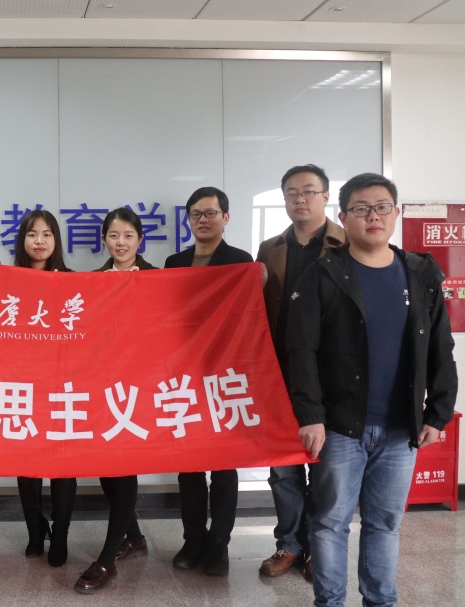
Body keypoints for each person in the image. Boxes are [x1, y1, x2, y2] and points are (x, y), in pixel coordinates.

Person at [286, 172, 457, 607]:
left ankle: (380, 601)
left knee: (385, 524)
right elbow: (301, 350)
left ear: (396, 213)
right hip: (340, 427)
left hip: (402, 429)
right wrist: (311, 415)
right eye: (361, 209)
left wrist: (438, 412)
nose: (373, 216)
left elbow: (440, 346)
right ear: (343, 217)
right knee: (330, 523)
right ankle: (329, 602)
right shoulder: (322, 274)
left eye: (382, 207)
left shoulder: (421, 273)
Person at [256, 164, 345, 581]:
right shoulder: (270, 248)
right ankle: (290, 544)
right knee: (283, 470)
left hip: (334, 376)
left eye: (309, 191)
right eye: (292, 193)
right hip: (281, 374)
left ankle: (319, 549)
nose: (300, 199)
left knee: (327, 470)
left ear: (326, 196)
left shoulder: (348, 243)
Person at [164, 186, 253, 576]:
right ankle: (193, 539)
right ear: (188, 219)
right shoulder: (174, 262)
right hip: (184, 375)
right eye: (196, 214)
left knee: (224, 466)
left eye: (211, 213)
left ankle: (219, 543)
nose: (203, 219)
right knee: (189, 466)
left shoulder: (240, 261)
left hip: (224, 373)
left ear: (226, 217)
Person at [74, 207, 151, 594]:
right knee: (106, 465)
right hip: (103, 385)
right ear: (104, 239)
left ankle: (106, 559)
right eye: (114, 236)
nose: (121, 243)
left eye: (128, 236)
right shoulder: (93, 281)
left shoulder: (158, 279)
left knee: (125, 466)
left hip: (140, 386)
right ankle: (133, 537)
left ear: (140, 240)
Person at [12, 210, 78, 567]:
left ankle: (61, 533)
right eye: (32, 234)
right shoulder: (8, 281)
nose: (39, 241)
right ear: (22, 239)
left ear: (56, 240)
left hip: (64, 386)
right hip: (23, 383)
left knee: (64, 464)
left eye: (47, 234)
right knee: (27, 463)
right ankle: (35, 531)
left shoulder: (73, 281)